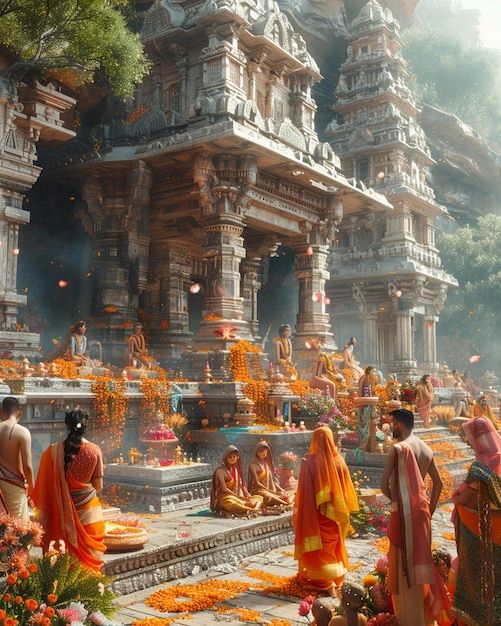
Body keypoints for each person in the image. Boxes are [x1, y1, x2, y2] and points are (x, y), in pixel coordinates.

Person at [380, 409, 443, 626]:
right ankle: (424, 619)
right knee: (420, 563)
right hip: (422, 515)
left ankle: (408, 619)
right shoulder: (426, 449)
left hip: (404, 517)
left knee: (403, 567)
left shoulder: (398, 449)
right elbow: (439, 484)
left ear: (399, 424)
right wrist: (429, 511)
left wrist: (398, 503)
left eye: (392, 424)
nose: (391, 428)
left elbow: (383, 485)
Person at [33, 409, 105, 572]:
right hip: (89, 516)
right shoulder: (95, 451)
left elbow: (42, 489)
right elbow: (98, 487)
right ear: (86, 425)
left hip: (59, 516)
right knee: (87, 574)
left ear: (66, 425)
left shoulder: (52, 452)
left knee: (62, 570)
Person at [294, 426, 359, 595]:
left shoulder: (308, 462)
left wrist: (306, 513)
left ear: (314, 440)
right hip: (335, 514)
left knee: (319, 547)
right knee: (333, 546)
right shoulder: (339, 461)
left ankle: (323, 581)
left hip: (315, 515)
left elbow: (305, 493)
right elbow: (345, 490)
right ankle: (334, 577)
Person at [451, 417, 501, 626]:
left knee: (478, 580)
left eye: (471, 438)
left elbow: (460, 496)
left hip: (477, 533)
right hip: (498, 533)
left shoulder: (480, 467)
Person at [0, 397, 34, 521]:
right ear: (19, 412)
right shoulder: (22, 432)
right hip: (14, 487)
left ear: (0, 411)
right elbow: (28, 467)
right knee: (18, 530)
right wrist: (32, 489)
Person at [210, 445, 263, 516]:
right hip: (225, 498)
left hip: (238, 497)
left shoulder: (235, 470)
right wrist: (239, 497)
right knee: (232, 503)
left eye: (234, 456)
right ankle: (252, 509)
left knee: (259, 498)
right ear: (226, 458)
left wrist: (248, 495)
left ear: (237, 457)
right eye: (230, 457)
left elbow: (242, 486)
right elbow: (224, 489)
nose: (232, 459)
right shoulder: (220, 471)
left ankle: (248, 508)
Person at [248, 441, 290, 509]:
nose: (264, 453)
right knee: (269, 497)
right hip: (257, 491)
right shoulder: (252, 465)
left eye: (265, 451)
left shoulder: (266, 464)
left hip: (268, 490)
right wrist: (269, 490)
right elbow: (257, 483)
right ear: (256, 452)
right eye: (261, 451)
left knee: (285, 494)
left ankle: (282, 501)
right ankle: (284, 503)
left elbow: (272, 481)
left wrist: (281, 489)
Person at [356, 366, 379, 454]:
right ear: (369, 371)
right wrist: (361, 402)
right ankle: (363, 447)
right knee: (364, 426)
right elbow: (360, 390)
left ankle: (371, 447)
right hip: (364, 405)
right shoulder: (363, 378)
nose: (373, 373)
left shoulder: (372, 379)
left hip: (371, 404)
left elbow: (373, 390)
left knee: (372, 425)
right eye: (372, 371)